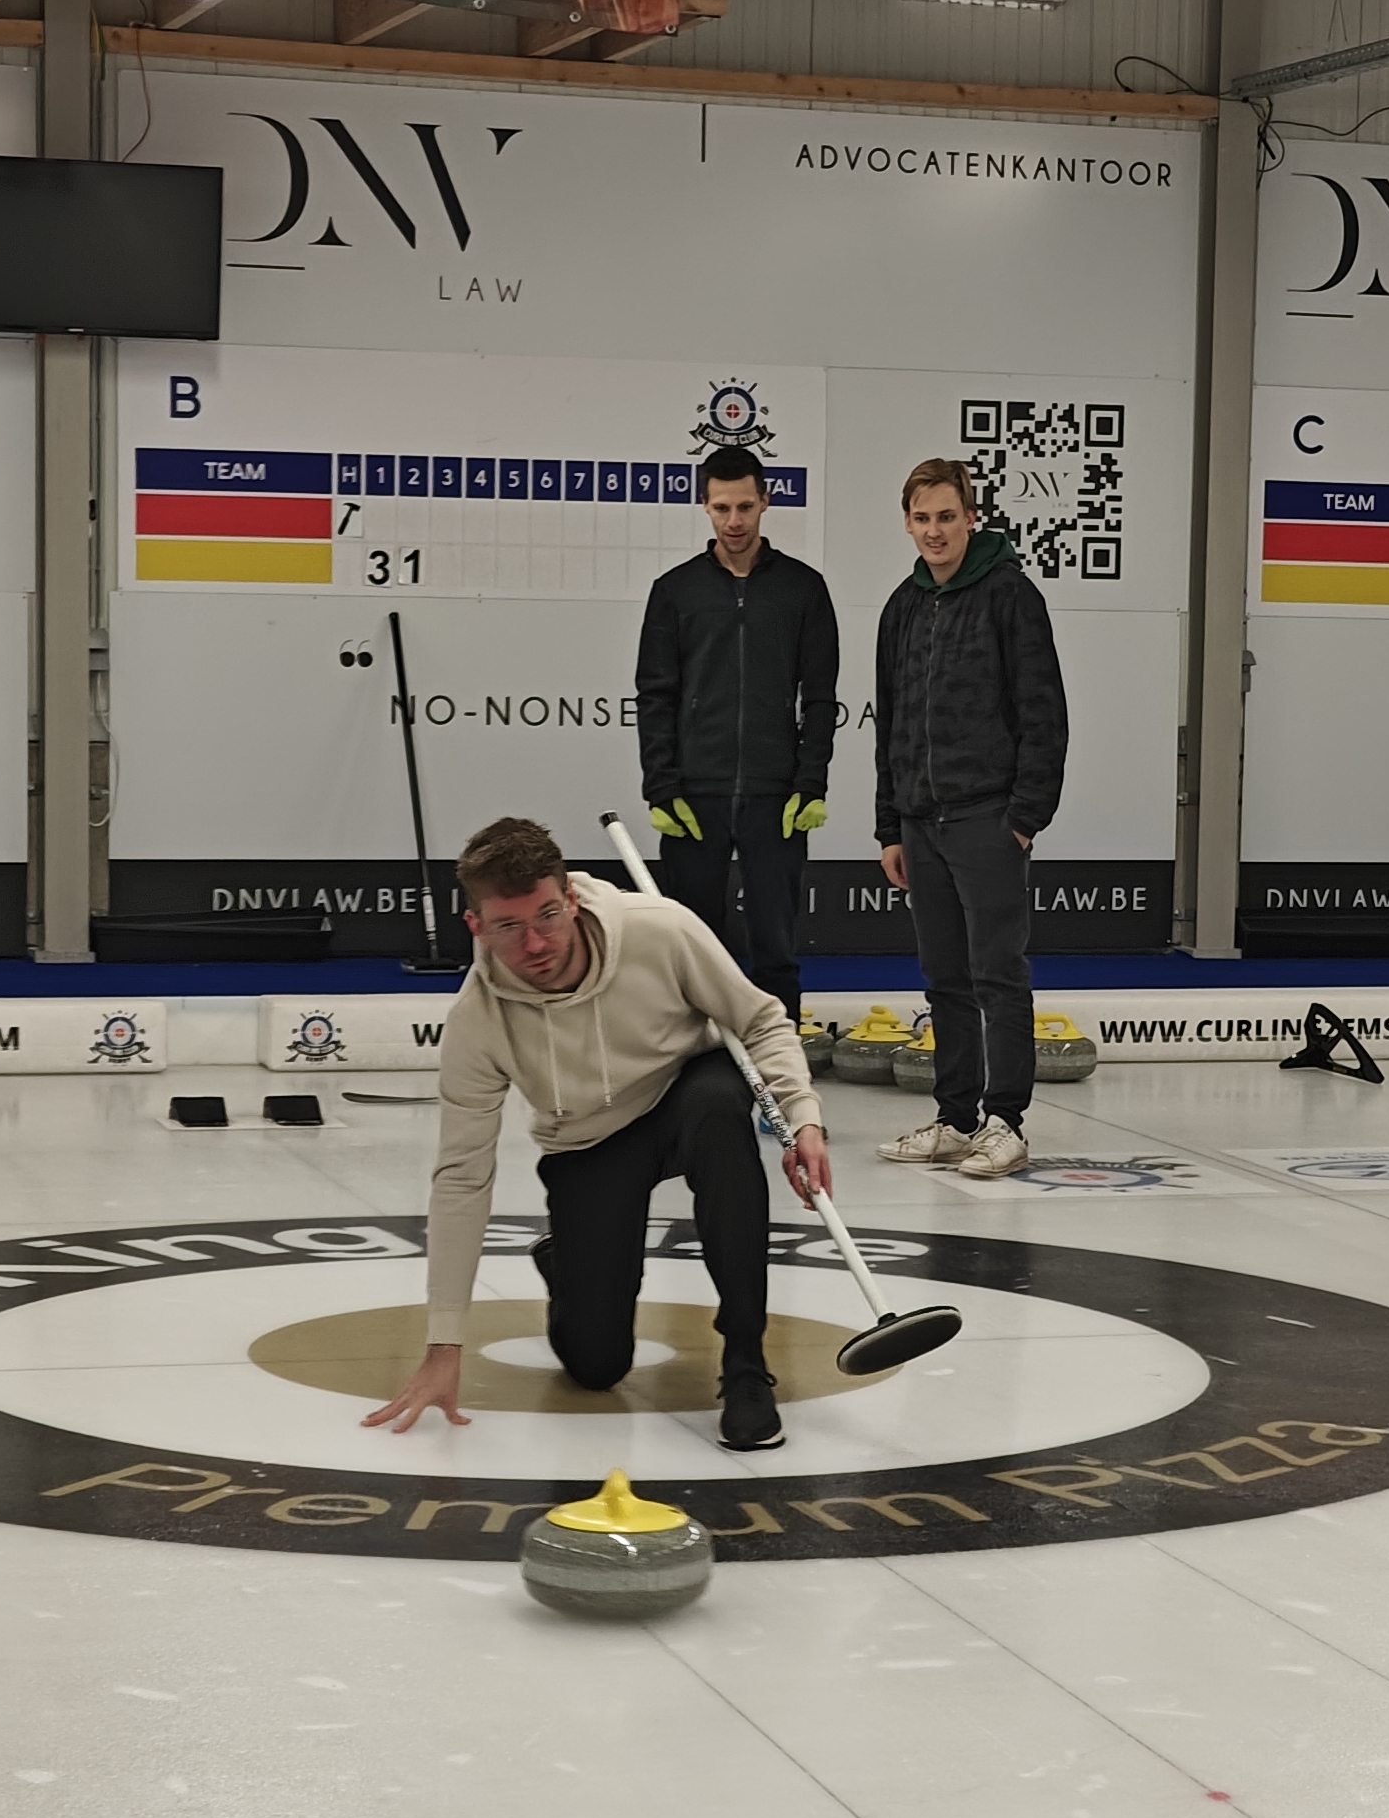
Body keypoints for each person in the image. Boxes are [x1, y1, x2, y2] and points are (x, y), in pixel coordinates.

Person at [362, 815, 831, 1452]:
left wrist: (802, 1116)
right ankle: (568, 1265)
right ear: (475, 926)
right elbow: (461, 1178)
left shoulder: (659, 929)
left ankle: (746, 1365)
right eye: (509, 927)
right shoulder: (477, 1022)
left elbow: (762, 1021)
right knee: (596, 1368)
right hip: (590, 1140)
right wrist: (445, 1345)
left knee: (723, 1108)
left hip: (687, 1095)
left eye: (548, 916)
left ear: (571, 898)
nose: (536, 944)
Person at [872, 457, 1069, 1183]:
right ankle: (956, 1119)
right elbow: (891, 723)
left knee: (997, 975)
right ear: (907, 523)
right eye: (921, 519)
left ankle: (1005, 1123)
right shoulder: (902, 605)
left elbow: (1044, 713)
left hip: (988, 819)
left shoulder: (1010, 594)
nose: (934, 532)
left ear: (970, 517)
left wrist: (1023, 819)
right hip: (920, 823)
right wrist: (890, 825)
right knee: (945, 979)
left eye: (946, 517)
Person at [634, 444, 842, 1022]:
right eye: (722, 507)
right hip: (693, 797)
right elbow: (655, 696)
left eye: (745, 506)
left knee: (775, 950)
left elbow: (820, 699)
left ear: (766, 503)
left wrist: (811, 782)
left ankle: (780, 1073)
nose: (734, 521)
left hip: (776, 798)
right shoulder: (674, 591)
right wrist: (661, 787)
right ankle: (695, 1067)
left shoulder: (804, 589)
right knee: (693, 946)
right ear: (703, 505)